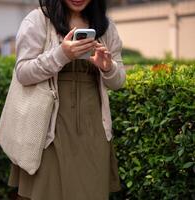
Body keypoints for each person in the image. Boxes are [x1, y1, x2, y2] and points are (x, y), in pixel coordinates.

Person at [8, 0, 126, 199]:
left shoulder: (106, 27)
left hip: (93, 127)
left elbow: (118, 81)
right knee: (47, 191)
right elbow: (23, 73)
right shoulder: (39, 20)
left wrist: (108, 67)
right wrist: (61, 54)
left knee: (90, 191)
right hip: (48, 128)